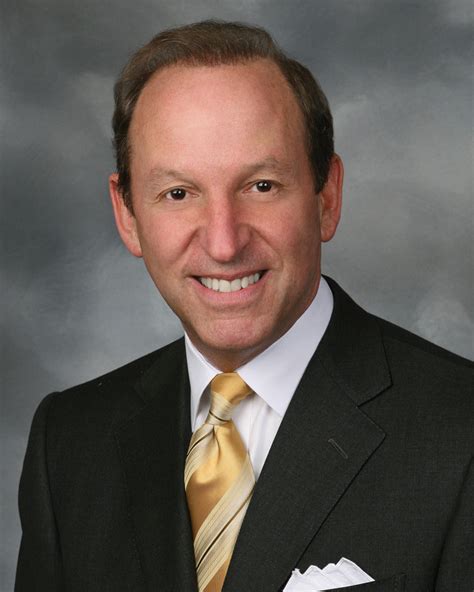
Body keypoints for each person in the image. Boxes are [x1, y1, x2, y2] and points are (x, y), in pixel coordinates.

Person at [15, 20, 472, 592]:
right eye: (178, 193)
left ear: (327, 197)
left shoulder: (460, 433)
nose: (224, 242)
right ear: (128, 215)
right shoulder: (69, 442)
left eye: (261, 186)